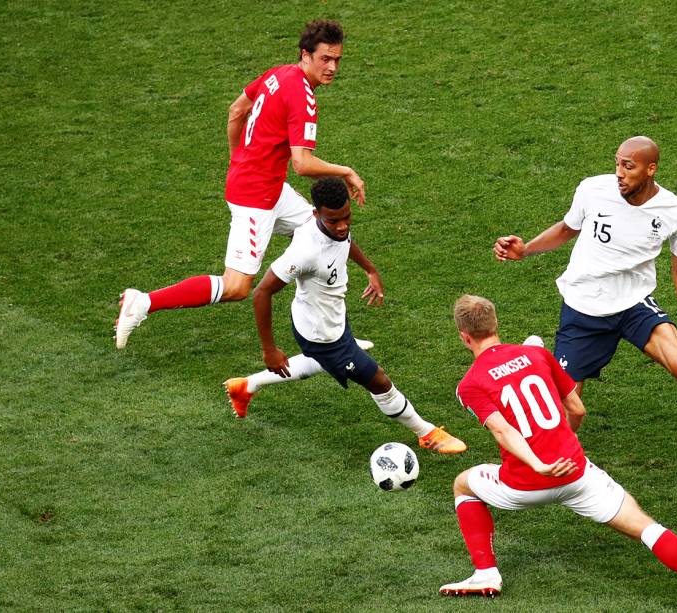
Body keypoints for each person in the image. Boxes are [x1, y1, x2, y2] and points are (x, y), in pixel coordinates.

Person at [493, 136, 677, 492]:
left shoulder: (675, 213)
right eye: (617, 163)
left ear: (651, 169)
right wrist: (526, 249)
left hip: (634, 306)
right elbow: (567, 229)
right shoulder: (593, 190)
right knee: (565, 412)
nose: (619, 173)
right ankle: (538, 369)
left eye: (629, 166)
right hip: (584, 309)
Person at [441, 295, 677, 599]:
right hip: (576, 474)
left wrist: (539, 464)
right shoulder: (538, 355)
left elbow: (502, 429)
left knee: (463, 485)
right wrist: (559, 446)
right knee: (644, 526)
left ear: (464, 336)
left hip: (524, 484)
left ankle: (485, 572)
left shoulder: (470, 384)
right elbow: (578, 410)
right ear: (495, 324)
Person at [115, 19, 367, 349]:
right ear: (306, 55)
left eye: (337, 60)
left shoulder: (278, 73)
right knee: (236, 287)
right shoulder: (303, 96)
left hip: (266, 186)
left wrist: (239, 159)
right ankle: (143, 302)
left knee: (324, 235)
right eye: (325, 59)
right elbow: (302, 164)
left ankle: (335, 338)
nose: (332, 67)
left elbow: (236, 111)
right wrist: (345, 171)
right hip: (255, 197)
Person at [222, 178, 466, 454]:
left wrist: (370, 269)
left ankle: (246, 386)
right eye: (333, 221)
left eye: (346, 218)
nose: (342, 226)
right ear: (316, 215)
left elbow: (345, 241)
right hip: (321, 333)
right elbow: (262, 293)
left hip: (332, 318)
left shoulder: (336, 226)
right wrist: (269, 350)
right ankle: (426, 433)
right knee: (379, 381)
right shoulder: (305, 251)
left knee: (323, 363)